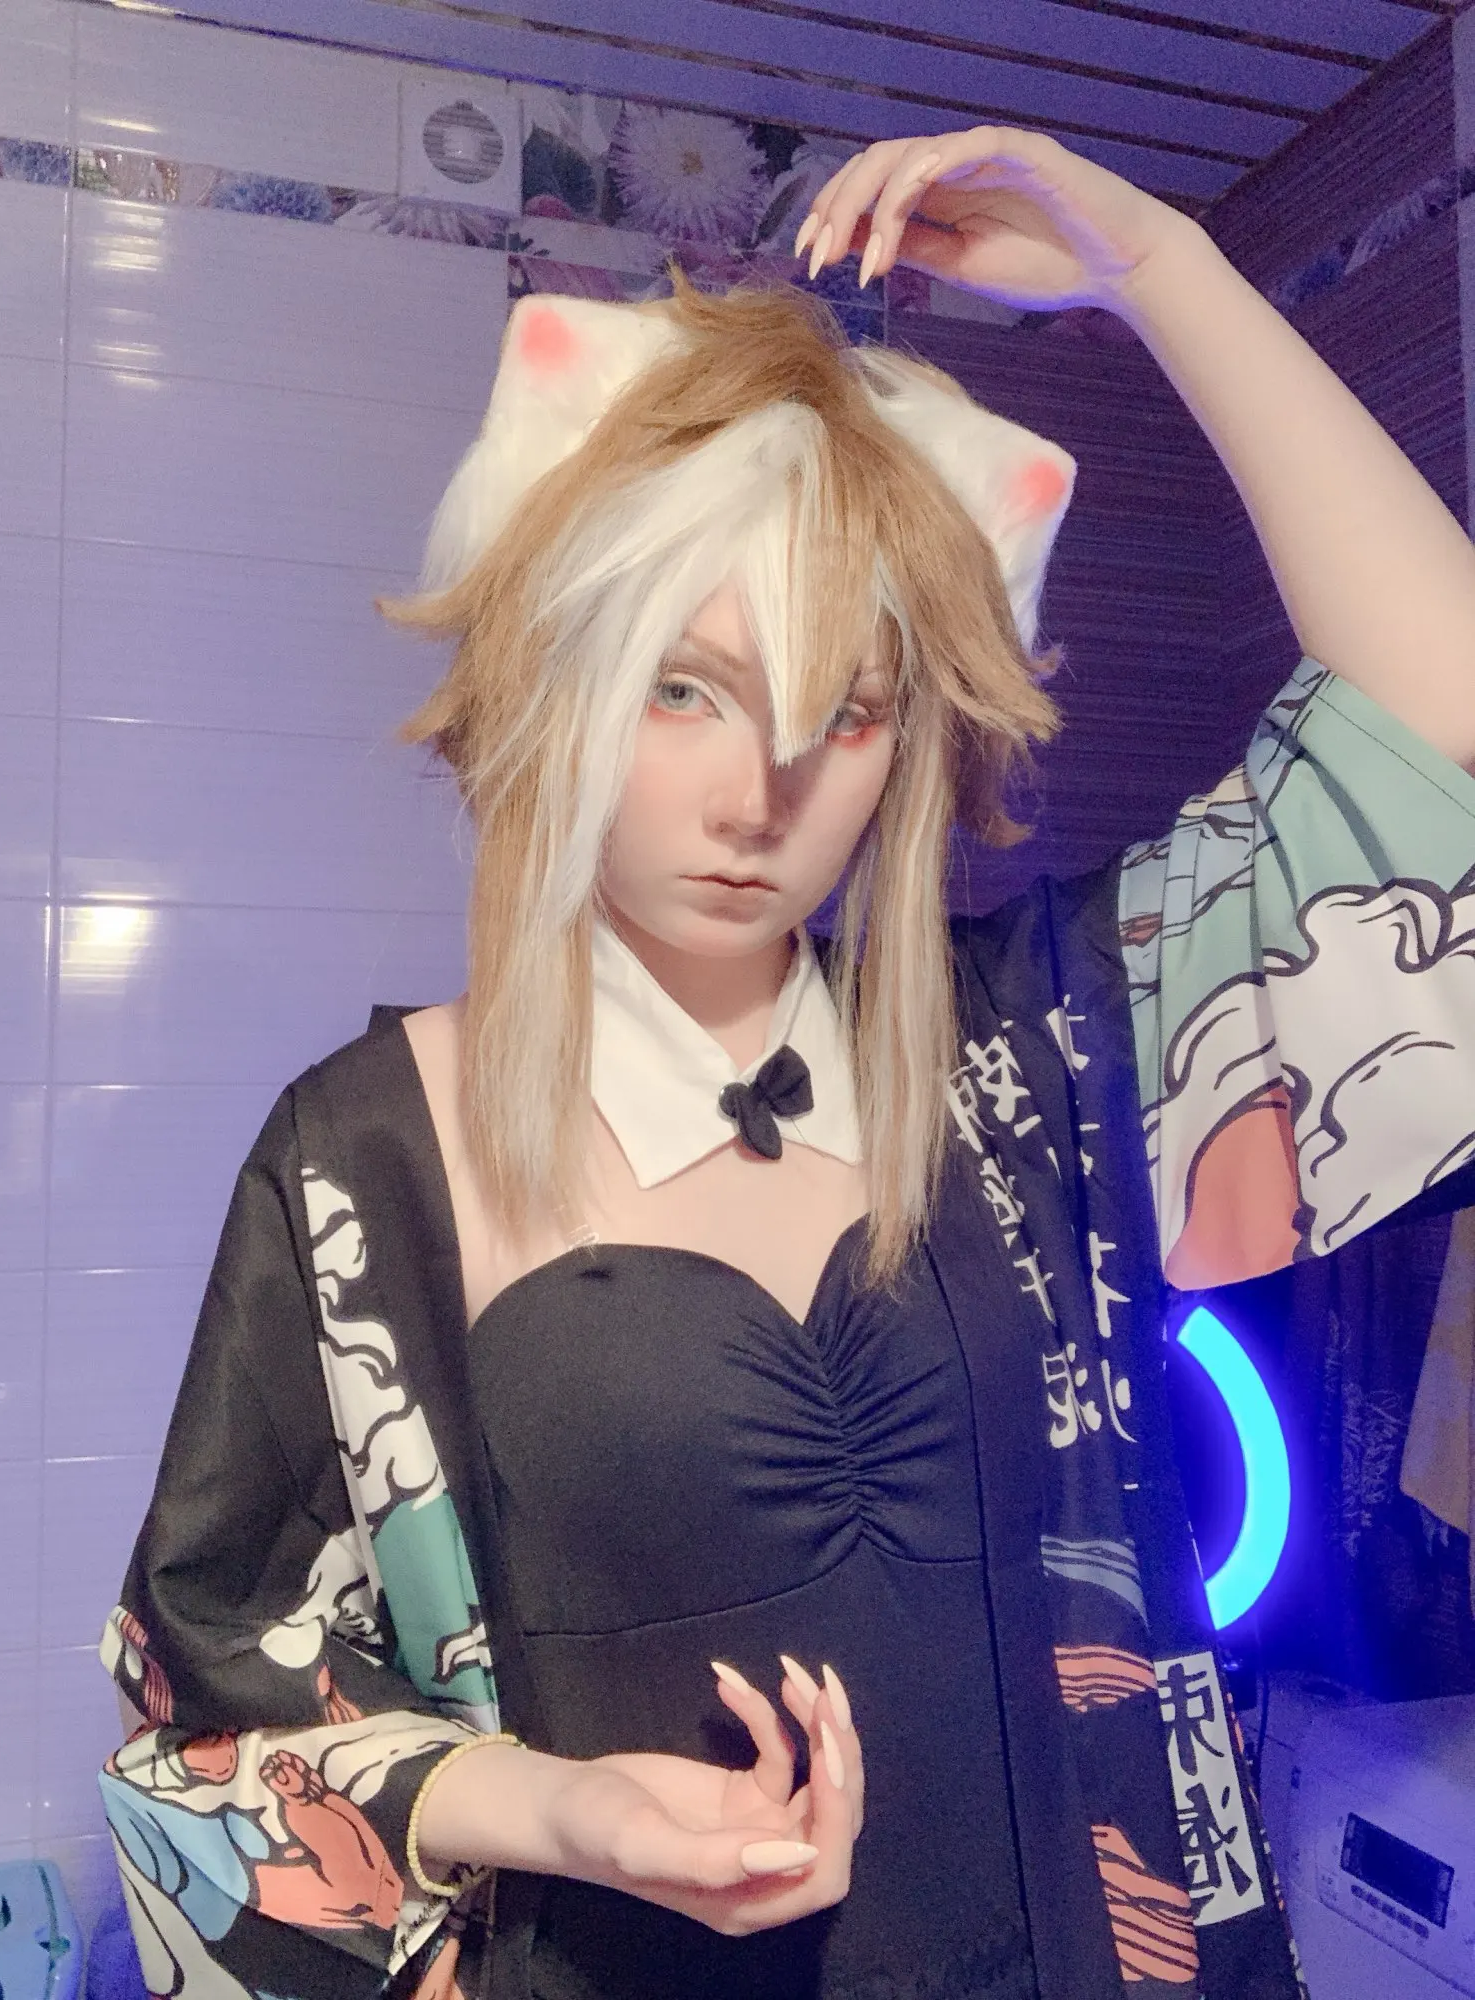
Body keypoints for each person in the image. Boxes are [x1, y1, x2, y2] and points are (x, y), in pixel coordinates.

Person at [96, 127, 1475, 2000]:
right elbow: (209, 1737)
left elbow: (1437, 756)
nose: (763, 792)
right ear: (560, 677)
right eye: (684, 687)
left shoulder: (1037, 1048)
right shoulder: (365, 1168)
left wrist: (1163, 266)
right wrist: (557, 1810)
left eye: (848, 710)